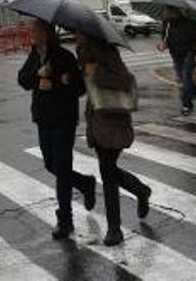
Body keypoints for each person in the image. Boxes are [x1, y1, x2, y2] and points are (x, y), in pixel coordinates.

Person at [18, 18, 95, 240]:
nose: (31, 33)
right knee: (50, 164)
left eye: (34, 29)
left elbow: (80, 88)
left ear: (45, 32)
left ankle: (65, 220)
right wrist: (38, 76)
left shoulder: (64, 56)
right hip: (43, 118)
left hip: (64, 119)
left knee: (61, 167)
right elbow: (22, 80)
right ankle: (84, 183)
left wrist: (62, 82)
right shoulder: (35, 55)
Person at [78, 33, 151, 246]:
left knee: (107, 173)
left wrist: (97, 73)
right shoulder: (82, 54)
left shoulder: (109, 54)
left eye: (79, 33)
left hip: (113, 119)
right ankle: (140, 190)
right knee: (108, 170)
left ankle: (114, 229)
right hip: (96, 119)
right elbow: (86, 89)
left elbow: (125, 81)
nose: (75, 36)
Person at [158, 7, 196, 115]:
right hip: (176, 56)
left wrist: (192, 50)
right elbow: (165, 38)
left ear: (175, 11)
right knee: (185, 80)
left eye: (167, 11)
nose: (165, 13)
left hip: (188, 55)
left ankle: (187, 104)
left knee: (186, 78)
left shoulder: (189, 23)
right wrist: (162, 45)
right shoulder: (167, 24)